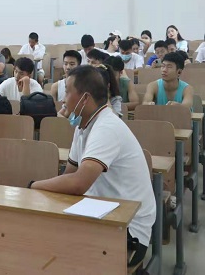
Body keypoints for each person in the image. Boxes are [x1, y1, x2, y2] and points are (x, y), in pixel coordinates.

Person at [30, 65, 156, 268]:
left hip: (128, 228)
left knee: (52, 253)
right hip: (100, 213)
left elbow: (78, 183)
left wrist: (33, 186)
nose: (63, 99)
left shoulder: (106, 127)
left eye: (67, 92)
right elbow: (69, 175)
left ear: (85, 98)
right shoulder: (83, 126)